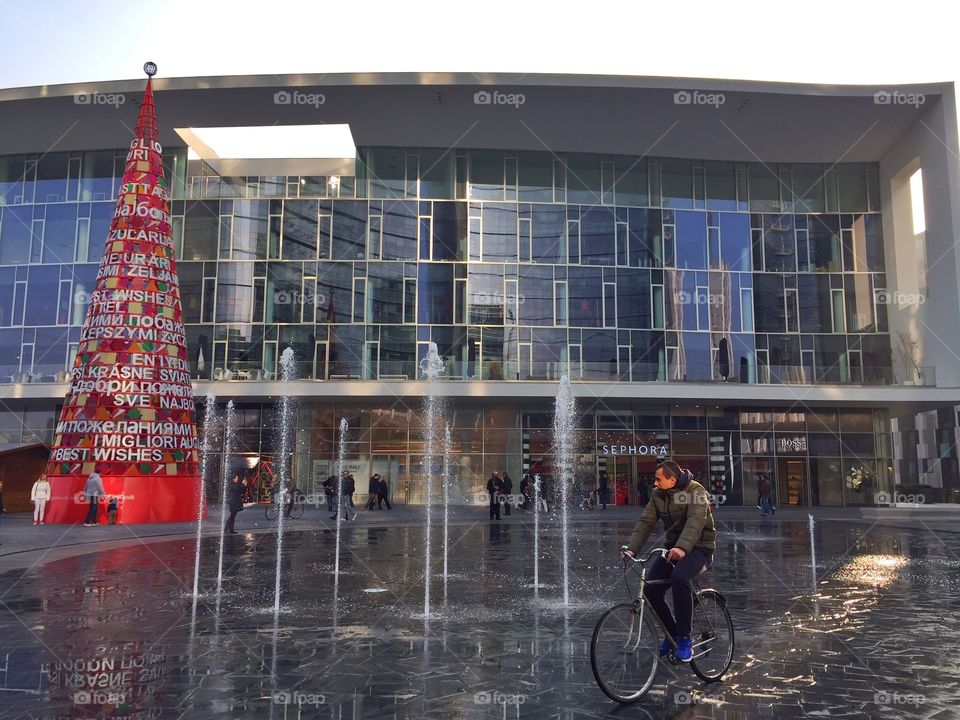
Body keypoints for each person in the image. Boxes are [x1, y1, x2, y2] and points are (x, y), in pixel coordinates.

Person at [622, 459, 717, 663]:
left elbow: (695, 521)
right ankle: (672, 633)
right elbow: (646, 522)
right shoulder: (659, 495)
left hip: (700, 548)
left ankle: (684, 638)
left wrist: (682, 548)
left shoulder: (695, 491)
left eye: (658, 479)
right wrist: (631, 549)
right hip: (673, 548)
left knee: (679, 578)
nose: (654, 483)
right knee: (650, 590)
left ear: (672, 479)